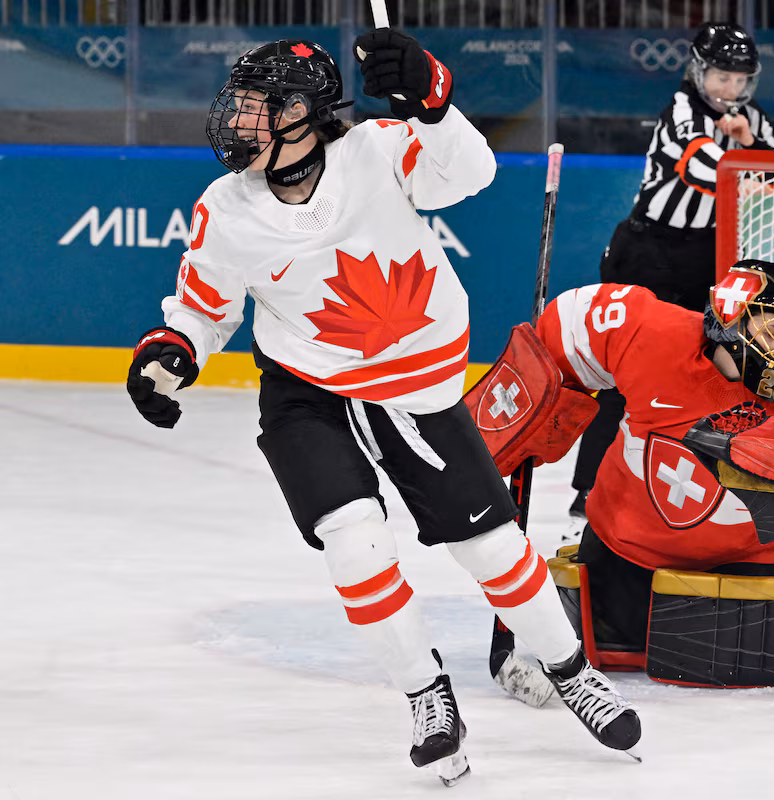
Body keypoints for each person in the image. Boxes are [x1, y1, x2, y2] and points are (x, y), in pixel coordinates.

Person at [124, 33, 640, 786]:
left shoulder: (379, 151)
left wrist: (433, 101)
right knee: (354, 542)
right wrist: (172, 351)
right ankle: (428, 696)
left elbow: (470, 171)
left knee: (492, 547)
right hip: (307, 394)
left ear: (303, 114)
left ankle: (570, 669)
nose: (237, 123)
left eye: (256, 109)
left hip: (416, 388)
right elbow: (202, 307)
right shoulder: (225, 209)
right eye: (237, 106)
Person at [526, 261, 774, 651]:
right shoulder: (652, 332)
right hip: (626, 556)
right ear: (732, 314)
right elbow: (568, 319)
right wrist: (535, 403)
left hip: (744, 573)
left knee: (722, 664)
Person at [566, 22, 774, 538]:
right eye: (721, 75)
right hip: (647, 252)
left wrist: (752, 139)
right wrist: (748, 157)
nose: (730, 89)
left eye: (739, 80)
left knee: (704, 370)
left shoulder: (750, 118)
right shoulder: (680, 110)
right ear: (698, 70)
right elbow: (703, 170)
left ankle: (682, 479)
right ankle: (591, 487)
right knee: (624, 374)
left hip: (701, 259)